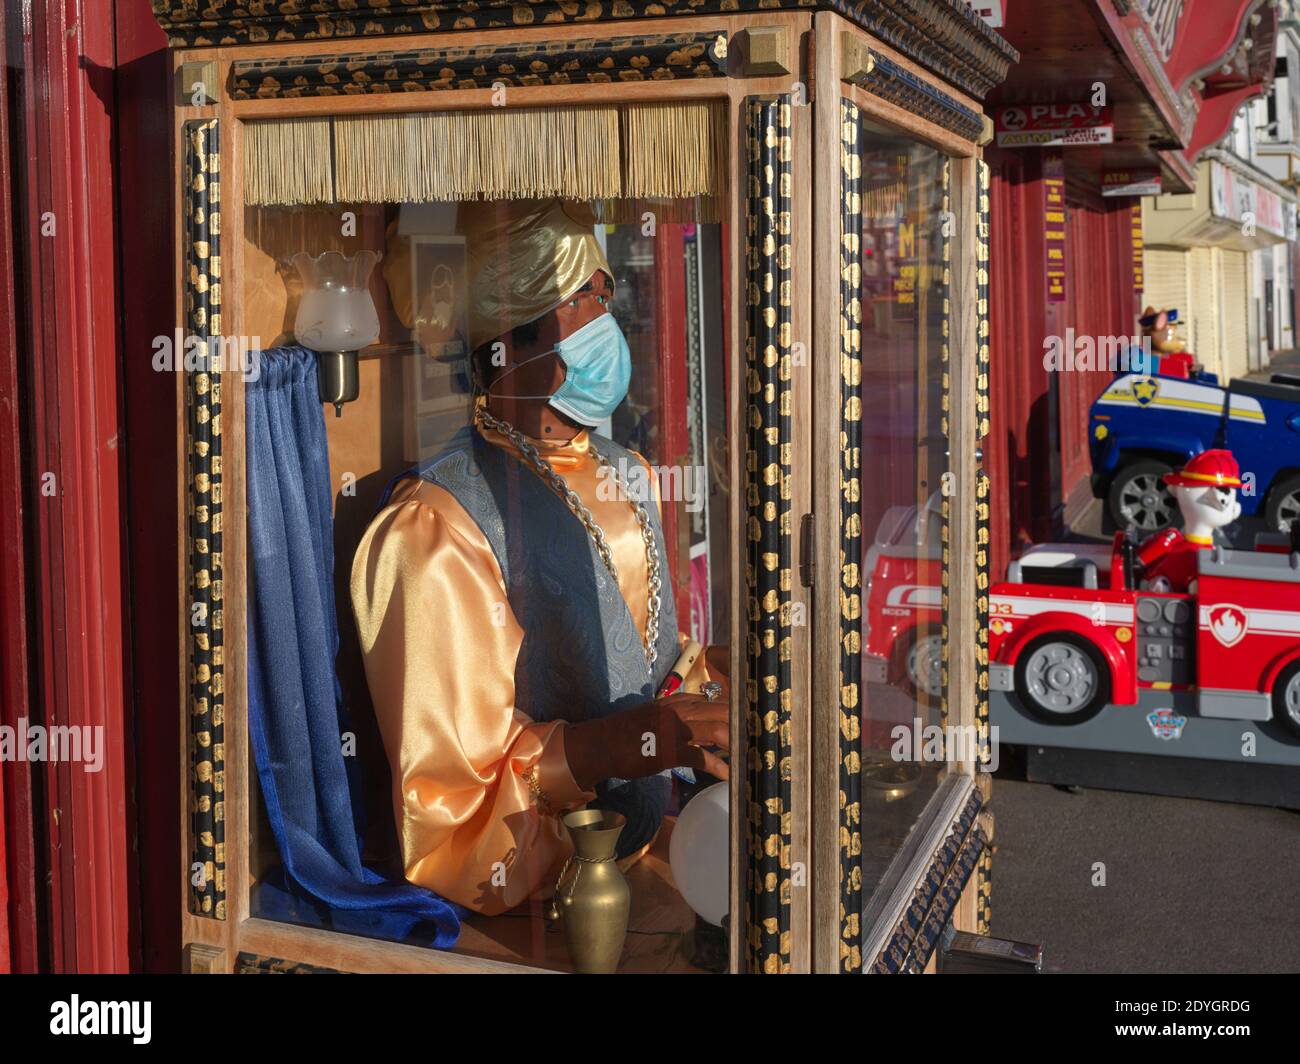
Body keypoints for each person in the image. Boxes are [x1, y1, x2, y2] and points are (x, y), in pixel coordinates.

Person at [351, 199, 728, 916]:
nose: (606, 320)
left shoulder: (628, 470)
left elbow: (641, 665)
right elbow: (447, 815)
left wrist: (716, 671)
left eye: (604, 293)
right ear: (508, 337)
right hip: (540, 909)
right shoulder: (437, 526)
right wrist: (606, 750)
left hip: (660, 858)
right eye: (579, 299)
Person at [1137, 449, 1242, 594]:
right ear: (1218, 499)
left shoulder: (1180, 542)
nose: (1235, 507)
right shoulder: (1174, 540)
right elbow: (1141, 560)